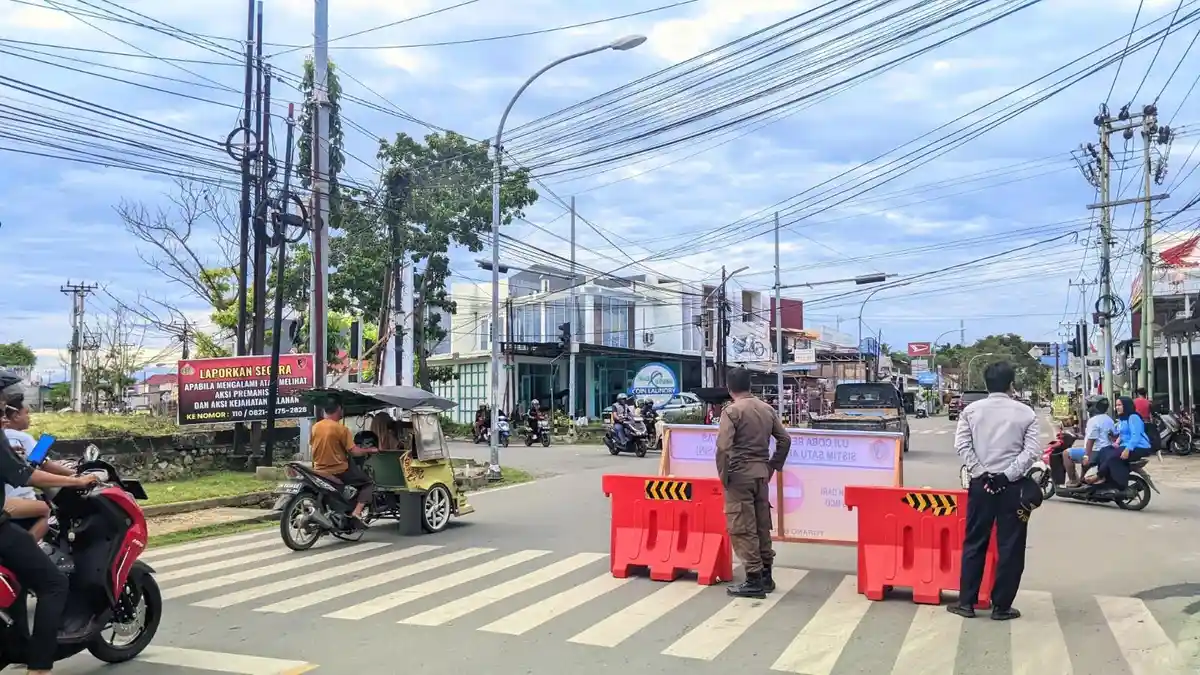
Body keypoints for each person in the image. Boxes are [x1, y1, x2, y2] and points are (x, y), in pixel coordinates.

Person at [949, 361, 1040, 621]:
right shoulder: (1026, 413)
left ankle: (966, 603)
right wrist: (1006, 476)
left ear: (986, 384)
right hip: (1013, 489)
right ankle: (1002, 607)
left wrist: (981, 472)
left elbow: (962, 445)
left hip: (981, 486)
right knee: (1010, 547)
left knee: (975, 542)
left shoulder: (971, 411)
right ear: (1012, 385)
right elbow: (1031, 451)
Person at [716, 367, 792, 599]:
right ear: (750, 386)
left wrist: (724, 476)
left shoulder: (731, 411)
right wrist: (772, 466)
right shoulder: (766, 409)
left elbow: (723, 448)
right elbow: (784, 440)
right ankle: (767, 575)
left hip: (740, 475)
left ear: (730, 389)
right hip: (761, 473)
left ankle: (753, 579)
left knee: (742, 527)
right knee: (761, 524)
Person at [1, 394, 83, 542]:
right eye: (26, 413)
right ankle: (29, 548)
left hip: (7, 498)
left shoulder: (5, 436)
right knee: (49, 511)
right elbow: (47, 466)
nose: (29, 417)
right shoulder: (23, 438)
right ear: (15, 416)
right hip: (16, 499)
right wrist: (77, 474)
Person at [311, 400, 378, 522]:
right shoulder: (341, 429)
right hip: (337, 470)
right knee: (368, 483)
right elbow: (354, 452)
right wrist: (370, 450)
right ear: (338, 410)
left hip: (318, 469)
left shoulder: (315, 427)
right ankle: (357, 513)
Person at [1063, 397, 1115, 488]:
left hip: (1095, 451)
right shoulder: (1109, 419)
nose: (1088, 409)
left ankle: (1073, 481)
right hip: (1107, 451)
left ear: (1095, 407)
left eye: (1090, 406)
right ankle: (1082, 479)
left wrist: (1086, 456)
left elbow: (1091, 441)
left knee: (1066, 453)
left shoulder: (1093, 420)